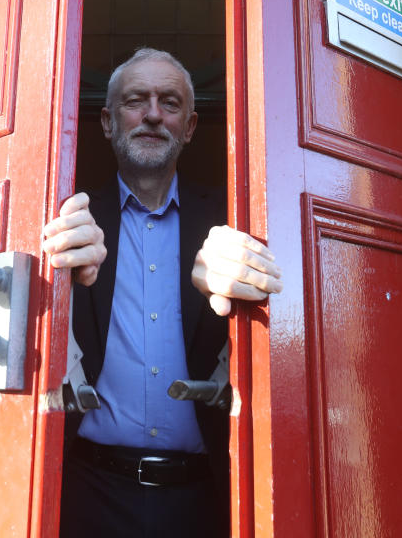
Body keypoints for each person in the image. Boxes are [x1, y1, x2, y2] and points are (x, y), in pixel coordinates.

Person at [42, 48, 283, 538]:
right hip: (88, 490)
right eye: (137, 100)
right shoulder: (65, 220)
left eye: (169, 103)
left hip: (203, 496)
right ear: (107, 122)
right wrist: (50, 266)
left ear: (190, 126)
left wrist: (262, 278)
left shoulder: (235, 224)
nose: (153, 113)